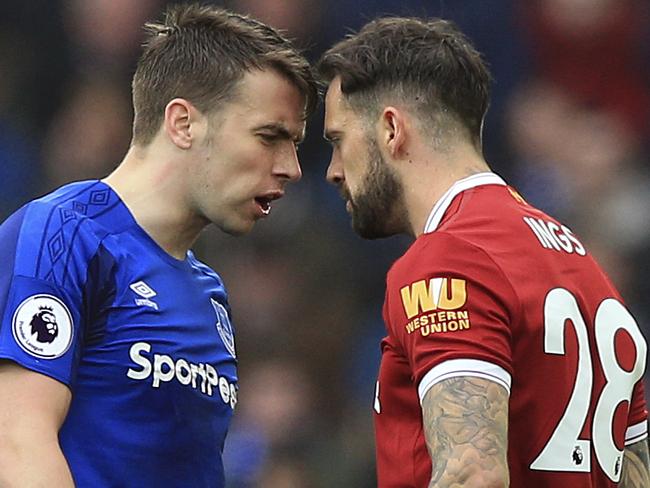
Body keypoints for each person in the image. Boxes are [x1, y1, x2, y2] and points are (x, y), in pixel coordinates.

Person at [318, 17, 649, 488]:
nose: (332, 170)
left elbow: (471, 474)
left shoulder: (446, 259)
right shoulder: (582, 263)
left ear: (392, 129)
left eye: (338, 140)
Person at [0, 4, 317, 487]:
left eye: (293, 143)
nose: (291, 167)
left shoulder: (210, 292)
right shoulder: (64, 236)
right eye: (269, 136)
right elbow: (17, 440)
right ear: (183, 123)